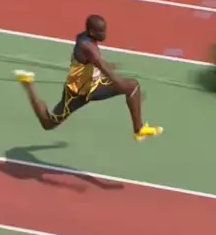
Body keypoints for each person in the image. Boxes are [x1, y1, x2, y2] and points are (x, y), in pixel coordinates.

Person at [13, 14, 163, 142]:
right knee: (48, 124)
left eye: (105, 30)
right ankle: (28, 85)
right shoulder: (87, 48)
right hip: (77, 93)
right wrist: (121, 86)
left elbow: (98, 66)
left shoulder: (88, 39)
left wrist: (130, 94)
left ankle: (139, 130)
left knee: (133, 86)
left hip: (93, 84)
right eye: (101, 31)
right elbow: (102, 66)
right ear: (91, 31)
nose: (104, 34)